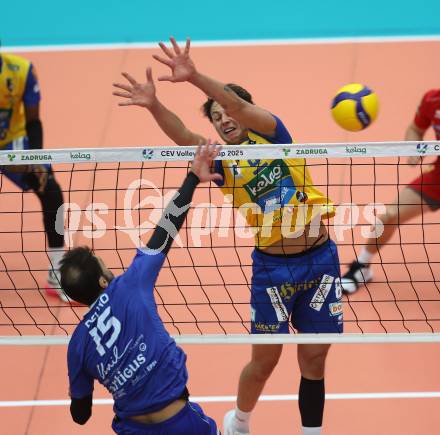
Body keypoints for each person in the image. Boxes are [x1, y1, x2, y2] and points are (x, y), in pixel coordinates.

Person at [113, 37, 342, 435]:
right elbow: (184, 134)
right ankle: (240, 422)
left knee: (315, 359)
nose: (223, 119)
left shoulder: (273, 135)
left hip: (321, 260)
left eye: (227, 112)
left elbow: (238, 105)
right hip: (273, 270)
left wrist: (196, 77)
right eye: (216, 117)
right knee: (264, 363)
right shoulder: (222, 160)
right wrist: (153, 104)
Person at [62, 143, 222, 434]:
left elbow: (80, 415)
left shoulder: (77, 345)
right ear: (102, 280)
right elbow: (165, 230)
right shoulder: (129, 284)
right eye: (102, 263)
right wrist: (193, 178)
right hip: (182, 424)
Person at [341, 89, 440, 294]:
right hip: (437, 176)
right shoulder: (432, 99)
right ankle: (362, 266)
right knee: (388, 215)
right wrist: (415, 149)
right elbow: (415, 128)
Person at [0, 52, 66, 300]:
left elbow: (34, 122)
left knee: (50, 190)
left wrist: (35, 160)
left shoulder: (20, 71)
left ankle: (57, 271)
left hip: (12, 142)